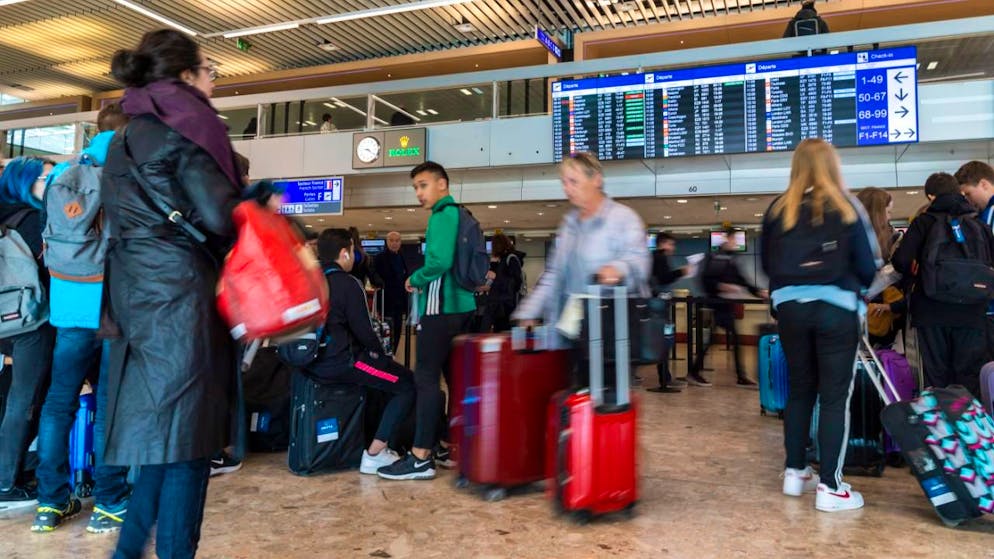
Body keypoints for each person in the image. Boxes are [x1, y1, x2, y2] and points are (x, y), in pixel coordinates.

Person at [102, 29, 242, 558]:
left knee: (163, 447)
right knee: (188, 445)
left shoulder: (125, 136)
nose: (212, 80)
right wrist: (256, 204)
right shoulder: (187, 126)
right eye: (209, 70)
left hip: (136, 302)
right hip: (181, 299)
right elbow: (218, 218)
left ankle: (127, 552)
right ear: (185, 75)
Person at [761, 138, 880, 513]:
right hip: (836, 309)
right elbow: (866, 265)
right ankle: (831, 486)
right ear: (833, 165)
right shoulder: (847, 206)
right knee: (833, 396)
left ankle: (795, 472)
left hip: (790, 310)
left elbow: (767, 265)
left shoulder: (778, 209)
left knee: (800, 390)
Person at [31, 104, 133, 534]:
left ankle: (49, 504)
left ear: (96, 130)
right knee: (111, 403)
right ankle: (110, 503)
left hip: (69, 301)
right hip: (113, 304)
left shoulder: (60, 176)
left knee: (59, 402)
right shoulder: (129, 172)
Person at [376, 161, 476, 481]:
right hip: (462, 307)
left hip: (441, 309)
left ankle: (421, 455)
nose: (419, 193)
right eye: (416, 187)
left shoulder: (442, 216)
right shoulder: (461, 215)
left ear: (442, 185)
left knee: (426, 378)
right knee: (454, 377)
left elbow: (439, 262)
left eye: (423, 185)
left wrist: (415, 278)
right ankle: (448, 444)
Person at [512, 152, 650, 382]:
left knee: (604, 396)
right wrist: (529, 312)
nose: (567, 188)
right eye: (564, 182)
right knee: (575, 396)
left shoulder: (622, 218)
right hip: (573, 326)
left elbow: (639, 262)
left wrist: (617, 269)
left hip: (610, 330)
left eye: (573, 181)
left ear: (596, 179)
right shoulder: (569, 225)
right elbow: (553, 275)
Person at [308, 229, 416, 475]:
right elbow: (365, 333)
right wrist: (383, 356)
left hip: (312, 361)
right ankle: (375, 453)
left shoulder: (309, 279)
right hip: (343, 362)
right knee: (407, 383)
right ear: (345, 253)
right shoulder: (348, 284)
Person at [892, 172, 994, 398]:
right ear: (958, 192)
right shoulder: (978, 224)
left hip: (931, 311)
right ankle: (969, 429)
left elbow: (901, 261)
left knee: (936, 378)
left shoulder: (923, 223)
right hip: (973, 312)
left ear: (930, 196)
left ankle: (941, 429)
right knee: (968, 377)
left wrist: (914, 277)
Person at [0, 156, 56, 508]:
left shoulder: (4, 216)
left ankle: (8, 470)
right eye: (44, 179)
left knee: (10, 397)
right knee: (26, 399)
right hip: (32, 321)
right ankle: (7, 481)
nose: (51, 184)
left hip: (5, 319)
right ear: (26, 183)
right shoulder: (33, 220)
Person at [692, 227, 763, 388]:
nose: (735, 243)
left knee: (717, 339)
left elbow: (741, 280)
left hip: (726, 304)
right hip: (719, 303)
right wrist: (720, 286)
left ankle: (696, 372)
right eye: (733, 239)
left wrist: (758, 292)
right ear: (726, 239)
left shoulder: (731, 258)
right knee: (731, 339)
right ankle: (739, 376)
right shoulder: (716, 257)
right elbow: (706, 280)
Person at [856, 188, 907, 348]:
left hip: (879, 314)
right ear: (877, 212)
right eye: (888, 212)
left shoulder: (851, 237)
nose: (889, 217)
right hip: (875, 313)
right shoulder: (889, 240)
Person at [956, 160, 994, 356]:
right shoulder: (983, 215)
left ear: (984, 184)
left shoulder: (991, 214)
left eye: (969, 194)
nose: (969, 201)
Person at [648, 232, 687, 393]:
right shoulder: (659, 257)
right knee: (664, 340)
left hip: (658, 303)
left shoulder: (654, 258)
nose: (672, 248)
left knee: (664, 340)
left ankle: (666, 377)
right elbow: (664, 278)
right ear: (662, 244)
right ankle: (664, 379)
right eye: (670, 244)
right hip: (659, 305)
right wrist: (681, 272)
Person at [480, 233, 523, 333]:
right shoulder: (503, 260)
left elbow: (516, 282)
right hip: (500, 305)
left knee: (503, 333)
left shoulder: (511, 259)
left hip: (505, 306)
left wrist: (496, 277)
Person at [373, 231, 408, 352]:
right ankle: (386, 354)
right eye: (391, 240)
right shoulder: (379, 258)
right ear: (386, 242)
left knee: (397, 330)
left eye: (397, 240)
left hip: (399, 301)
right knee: (387, 330)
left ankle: (393, 353)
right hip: (386, 302)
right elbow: (374, 276)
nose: (394, 243)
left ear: (400, 242)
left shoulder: (403, 257)